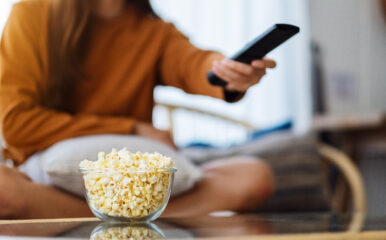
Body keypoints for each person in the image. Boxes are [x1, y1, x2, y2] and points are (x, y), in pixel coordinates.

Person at [0, 0, 276, 219]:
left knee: (254, 176)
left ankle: (90, 219)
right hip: (47, 182)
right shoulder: (32, 14)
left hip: (135, 186)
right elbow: (16, 123)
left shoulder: (154, 32)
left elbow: (195, 64)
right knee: (5, 190)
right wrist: (132, 129)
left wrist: (228, 71)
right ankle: (144, 219)